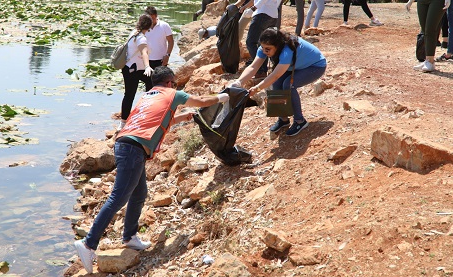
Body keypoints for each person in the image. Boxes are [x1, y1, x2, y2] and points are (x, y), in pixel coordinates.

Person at [75, 66, 229, 274]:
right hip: (133, 150)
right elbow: (201, 101)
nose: (175, 86)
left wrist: (181, 117)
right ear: (169, 83)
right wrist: (224, 96)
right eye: (174, 83)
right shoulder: (171, 93)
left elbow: (155, 121)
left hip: (127, 144)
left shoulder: (147, 96)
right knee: (118, 197)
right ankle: (88, 244)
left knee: (139, 194)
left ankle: (129, 237)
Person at [229, 28, 326, 136]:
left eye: (268, 49)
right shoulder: (265, 48)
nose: (265, 51)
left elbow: (275, 75)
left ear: (278, 46)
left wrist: (256, 89)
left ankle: (300, 121)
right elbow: (253, 67)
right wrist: (238, 82)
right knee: (277, 84)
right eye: (263, 48)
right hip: (294, 66)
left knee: (288, 85)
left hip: (315, 66)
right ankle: (283, 119)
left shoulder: (286, 51)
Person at [245, 0, 284, 79]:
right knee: (270, 42)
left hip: (262, 12)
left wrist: (255, 7)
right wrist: (275, 6)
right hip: (273, 14)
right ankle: (276, 69)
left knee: (251, 42)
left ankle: (261, 70)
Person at [118, 14, 154, 130]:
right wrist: (148, 66)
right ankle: (123, 123)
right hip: (134, 70)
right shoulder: (141, 38)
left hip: (131, 68)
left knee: (150, 83)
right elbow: (144, 52)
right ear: (149, 26)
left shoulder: (134, 32)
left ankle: (146, 111)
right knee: (130, 94)